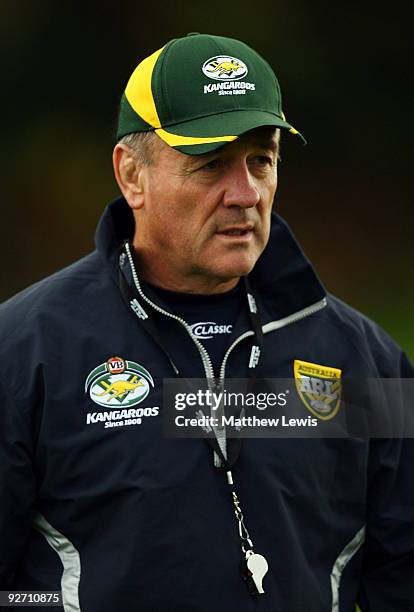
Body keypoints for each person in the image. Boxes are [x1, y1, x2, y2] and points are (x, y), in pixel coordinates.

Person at [0, 32, 413, 612]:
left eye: (261, 161)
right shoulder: (24, 352)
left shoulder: (366, 360)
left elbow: (402, 573)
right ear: (131, 175)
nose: (244, 193)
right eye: (210, 163)